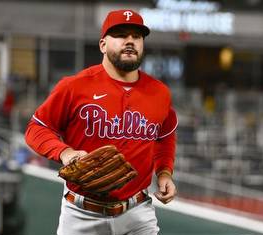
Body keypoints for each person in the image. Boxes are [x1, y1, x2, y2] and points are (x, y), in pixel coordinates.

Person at [24, 9, 178, 235]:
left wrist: (164, 173)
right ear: (102, 45)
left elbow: (165, 137)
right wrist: (65, 153)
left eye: (136, 36)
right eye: (120, 35)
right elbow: (36, 128)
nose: (129, 41)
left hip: (138, 213)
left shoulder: (160, 93)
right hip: (81, 213)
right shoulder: (74, 86)